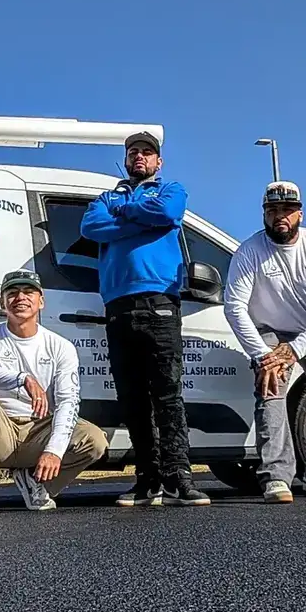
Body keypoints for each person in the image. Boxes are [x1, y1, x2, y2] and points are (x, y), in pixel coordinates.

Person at [80, 131, 209, 507]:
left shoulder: (172, 189)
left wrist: (127, 215)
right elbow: (91, 228)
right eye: (133, 151)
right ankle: (147, 479)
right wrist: (140, 218)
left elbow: (169, 214)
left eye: (147, 152)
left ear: (158, 161)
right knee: (132, 398)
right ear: (125, 159)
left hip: (160, 301)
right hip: (118, 304)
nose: (140, 156)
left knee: (168, 395)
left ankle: (179, 478)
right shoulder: (107, 197)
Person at [224, 181, 306, 502]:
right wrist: (264, 356)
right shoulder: (249, 252)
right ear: (264, 215)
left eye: (286, 210)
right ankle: (276, 477)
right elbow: (234, 307)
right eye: (272, 211)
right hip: (268, 331)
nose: (279, 217)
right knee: (271, 387)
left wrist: (295, 349)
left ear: (300, 213)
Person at [0, 268, 108, 514]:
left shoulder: (61, 347)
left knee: (94, 440)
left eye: (28, 292)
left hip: (38, 431)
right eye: (13, 293)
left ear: (41, 301)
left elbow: (68, 402)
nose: (21, 298)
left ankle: (37, 482)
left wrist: (53, 451)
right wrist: (22, 379)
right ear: (2, 301)